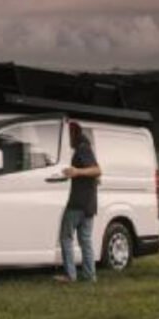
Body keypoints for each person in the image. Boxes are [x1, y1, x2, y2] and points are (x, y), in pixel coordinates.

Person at [54, 121, 101, 283]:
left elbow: (97, 170)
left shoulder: (83, 148)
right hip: (89, 204)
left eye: (69, 135)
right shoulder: (85, 148)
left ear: (74, 133)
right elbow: (94, 173)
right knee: (85, 240)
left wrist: (76, 171)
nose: (68, 140)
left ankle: (70, 275)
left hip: (78, 203)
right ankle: (90, 275)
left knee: (66, 237)